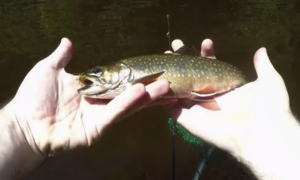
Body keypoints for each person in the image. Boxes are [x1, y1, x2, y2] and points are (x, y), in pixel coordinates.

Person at [0, 37, 298, 180]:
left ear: (121, 71)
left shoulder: (131, 72)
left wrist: (22, 130)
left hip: (222, 81)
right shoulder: (125, 76)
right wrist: (21, 130)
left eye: (100, 73)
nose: (93, 78)